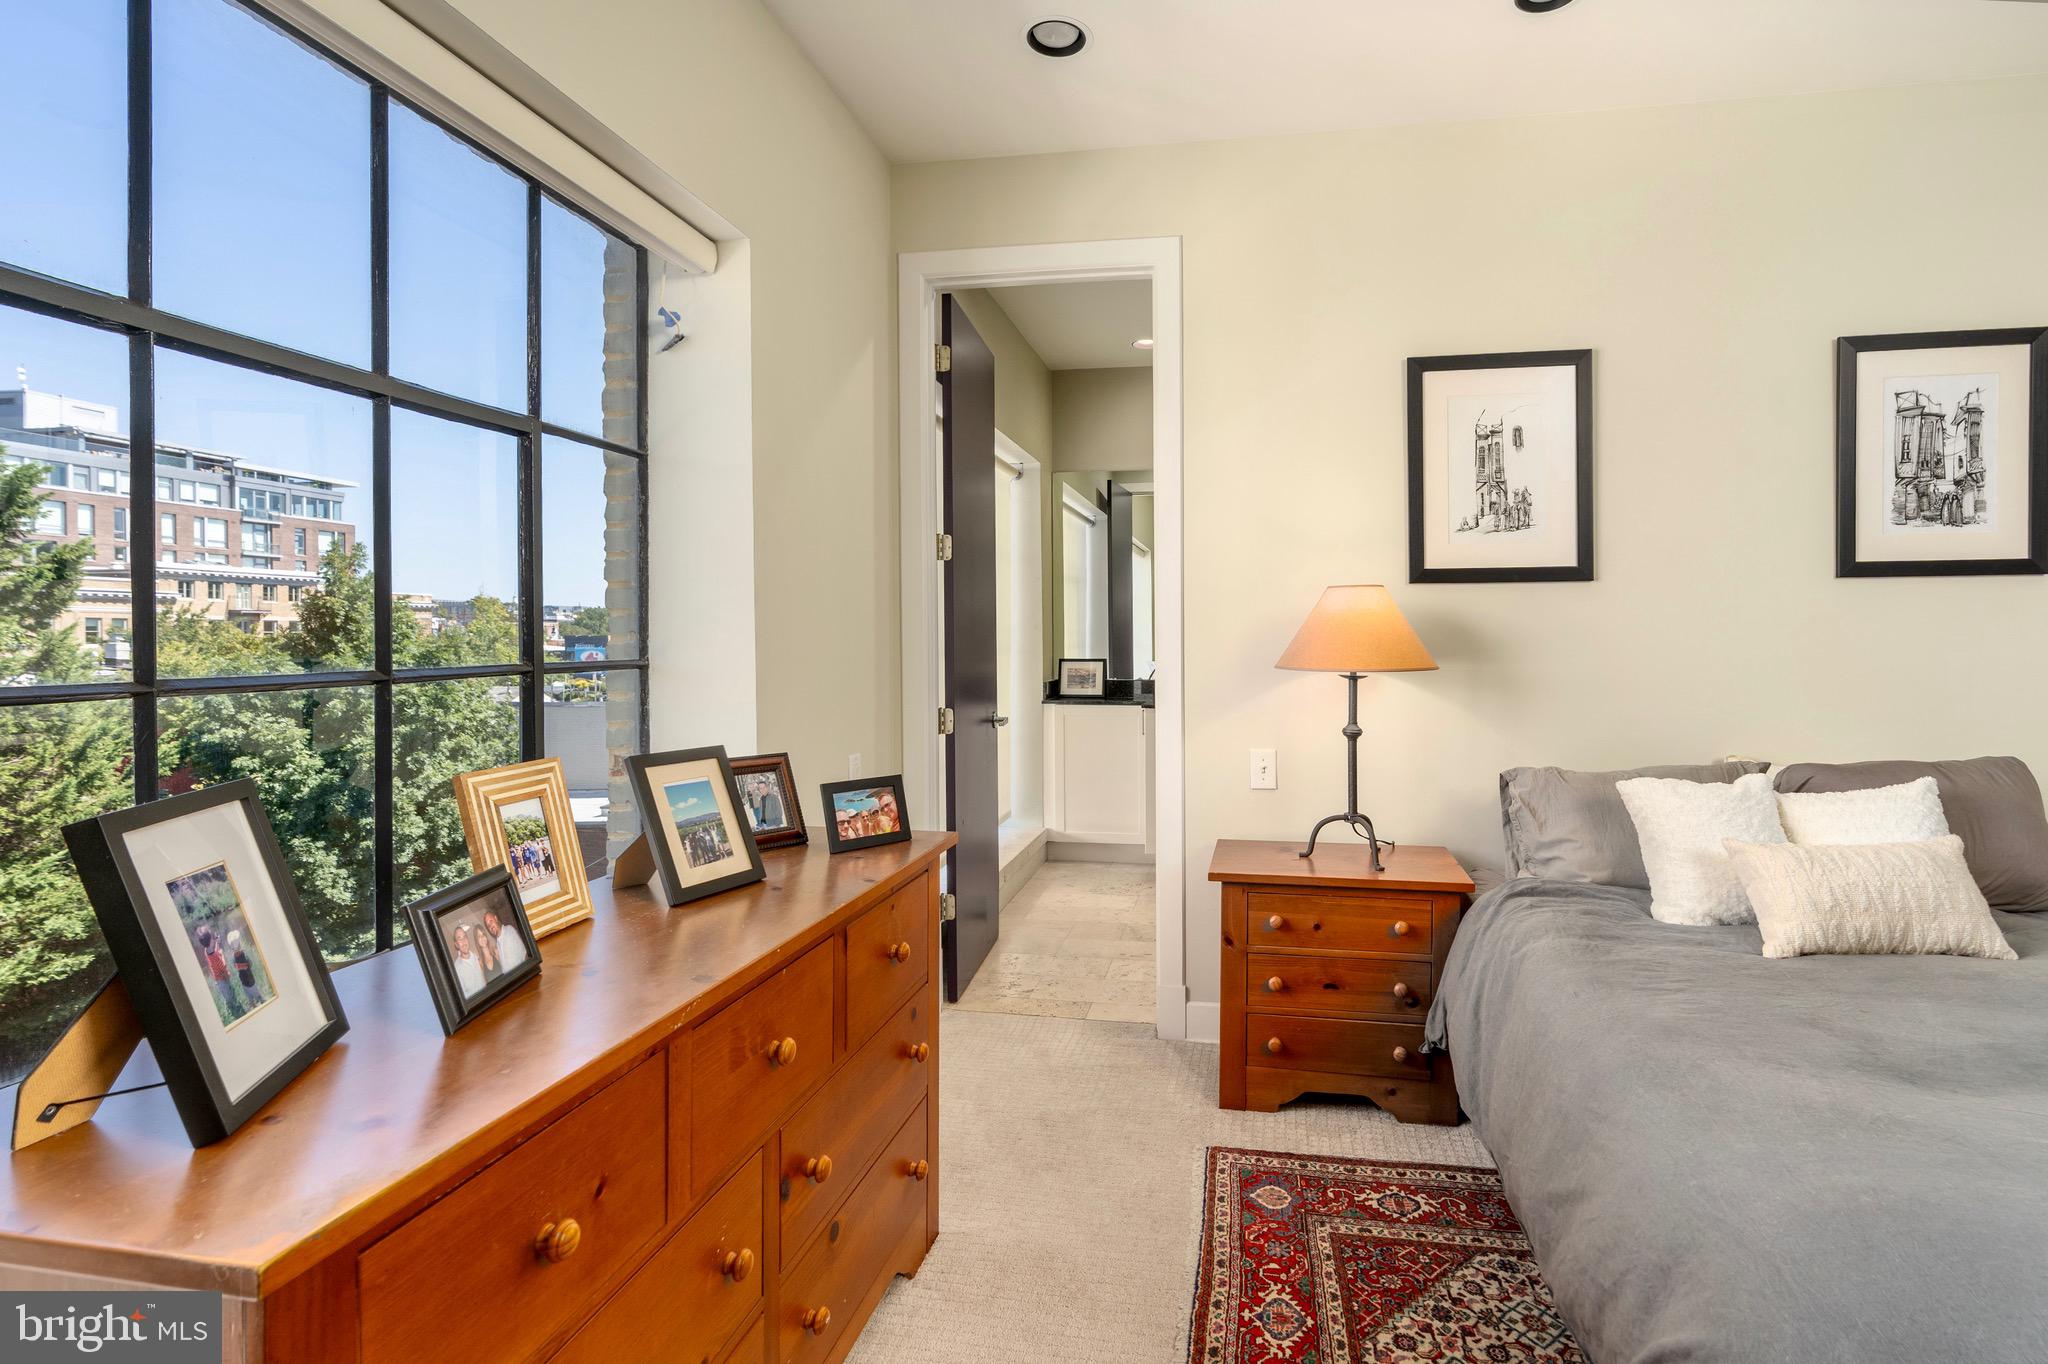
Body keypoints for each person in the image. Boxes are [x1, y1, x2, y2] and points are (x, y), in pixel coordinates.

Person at [449, 923, 487, 998]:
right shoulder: (456, 969)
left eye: (464, 937)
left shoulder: (476, 957)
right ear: (456, 944)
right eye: (459, 938)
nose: (463, 941)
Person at [485, 908, 528, 973]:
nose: (490, 926)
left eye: (491, 921)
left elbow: (524, 955)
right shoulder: (497, 944)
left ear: (496, 918)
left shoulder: (509, 930)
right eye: (488, 925)